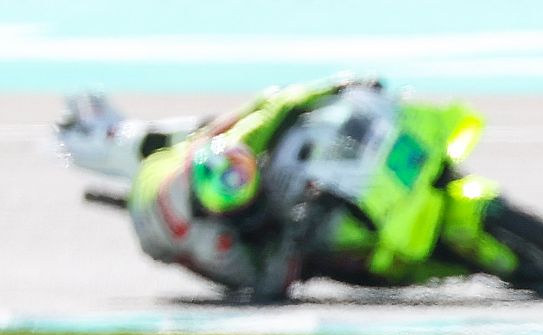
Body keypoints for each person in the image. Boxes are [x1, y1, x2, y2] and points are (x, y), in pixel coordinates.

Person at [56, 75, 383, 301]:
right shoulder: (211, 241)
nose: (256, 204)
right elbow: (264, 287)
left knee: (209, 126)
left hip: (171, 161)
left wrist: (338, 85)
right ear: (215, 213)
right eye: (245, 207)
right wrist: (294, 237)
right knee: (303, 261)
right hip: (157, 234)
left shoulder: (227, 148)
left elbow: (276, 104)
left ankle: (111, 131)